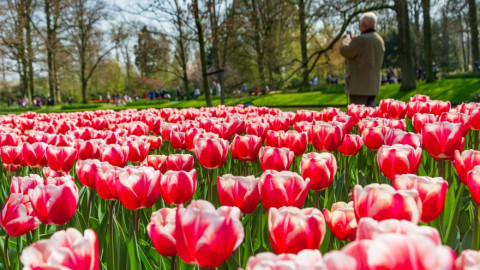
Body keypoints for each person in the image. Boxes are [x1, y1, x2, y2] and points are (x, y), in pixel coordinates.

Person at [340, 12, 385, 107]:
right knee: (370, 118)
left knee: (358, 118)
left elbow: (345, 51)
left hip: (359, 89)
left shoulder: (362, 40)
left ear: (364, 24)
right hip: (373, 87)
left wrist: (346, 39)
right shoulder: (379, 40)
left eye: (360, 24)